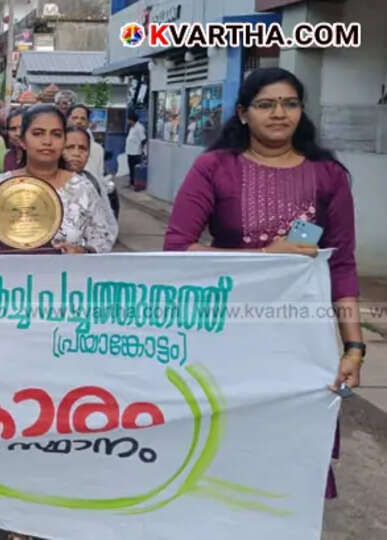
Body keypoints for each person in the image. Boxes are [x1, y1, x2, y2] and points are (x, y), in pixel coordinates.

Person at [164, 68, 362, 499]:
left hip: (300, 336)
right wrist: (261, 256)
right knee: (223, 445)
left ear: (302, 111)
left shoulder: (327, 175)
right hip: (227, 331)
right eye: (266, 104)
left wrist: (353, 347)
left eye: (290, 104)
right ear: (243, 113)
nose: (279, 114)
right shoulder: (214, 168)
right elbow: (177, 247)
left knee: (294, 450)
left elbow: (343, 264)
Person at [0, 105, 117, 255]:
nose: (47, 141)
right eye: (38, 133)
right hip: (8, 276)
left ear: (64, 141)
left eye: (56, 134)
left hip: (67, 276)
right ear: (22, 141)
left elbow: (102, 239)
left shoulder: (82, 189)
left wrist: (83, 251)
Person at [65, 104, 117, 214]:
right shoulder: (58, 145)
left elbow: (98, 177)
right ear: (67, 119)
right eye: (74, 118)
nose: (78, 121)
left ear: (88, 123)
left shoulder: (97, 149)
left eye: (83, 118)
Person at [125, 110, 147, 186]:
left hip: (136, 153)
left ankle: (136, 184)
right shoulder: (132, 128)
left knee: (135, 170)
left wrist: (143, 151)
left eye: (128, 120)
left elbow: (143, 140)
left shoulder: (139, 127)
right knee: (131, 169)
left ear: (132, 120)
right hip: (130, 152)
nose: (127, 121)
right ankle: (131, 182)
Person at [1, 107, 25, 173]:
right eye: (13, 129)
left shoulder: (37, 158)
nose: (18, 133)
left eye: (21, 128)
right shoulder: (8, 157)